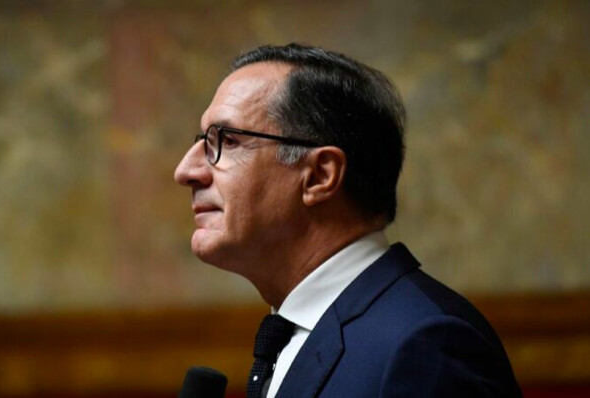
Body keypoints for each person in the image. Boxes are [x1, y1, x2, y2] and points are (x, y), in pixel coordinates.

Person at [174, 43, 521, 398]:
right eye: (202, 141)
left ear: (320, 176)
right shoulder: (291, 335)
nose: (185, 171)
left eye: (227, 141)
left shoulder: (426, 346)